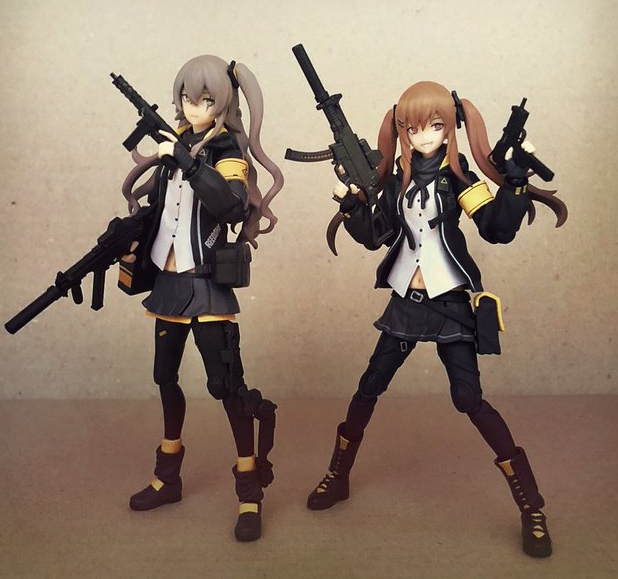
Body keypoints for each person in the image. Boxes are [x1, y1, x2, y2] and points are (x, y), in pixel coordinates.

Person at [306, 80, 566, 558]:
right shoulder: (397, 183)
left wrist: (513, 183)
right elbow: (376, 236)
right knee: (369, 385)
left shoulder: (459, 180)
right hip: (406, 299)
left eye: (434, 126)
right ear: (402, 131)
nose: (423, 136)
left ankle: (531, 506)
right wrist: (353, 204)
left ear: (450, 129)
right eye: (412, 128)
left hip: (447, 302)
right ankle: (338, 476)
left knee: (468, 397)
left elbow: (496, 229)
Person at [122, 55, 283, 542]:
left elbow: (231, 205)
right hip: (169, 282)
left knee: (226, 386)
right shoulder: (172, 143)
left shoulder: (226, 147)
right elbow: (160, 209)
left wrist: (188, 161)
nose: (195, 107)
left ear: (223, 102)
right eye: (188, 98)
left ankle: (249, 490)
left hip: (208, 281)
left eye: (206, 99)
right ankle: (167, 476)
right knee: (164, 378)